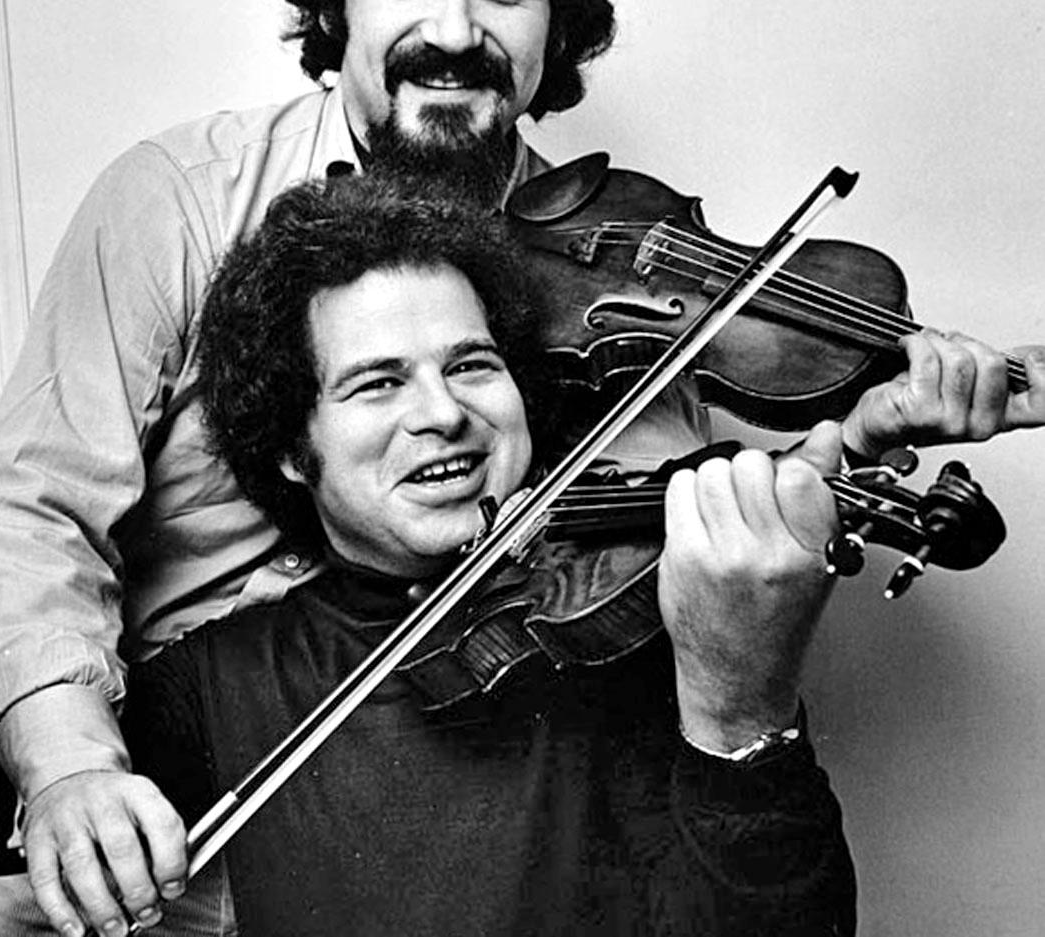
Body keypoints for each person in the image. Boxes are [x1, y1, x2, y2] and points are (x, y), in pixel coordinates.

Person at [0, 0, 1044, 937]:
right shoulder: (173, 203)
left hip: (449, 816)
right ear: (338, 10)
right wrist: (67, 768)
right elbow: (31, 509)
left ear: (553, 23)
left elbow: (656, 521)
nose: (454, 31)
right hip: (152, 809)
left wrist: (849, 449)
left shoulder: (622, 267)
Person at [118, 172, 856, 935]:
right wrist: (61, 778)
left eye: (472, 364)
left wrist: (740, 709)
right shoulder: (223, 679)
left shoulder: (664, 627)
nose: (444, 413)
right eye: (377, 384)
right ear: (291, 450)